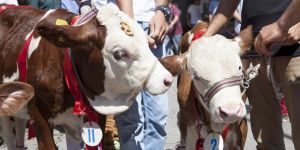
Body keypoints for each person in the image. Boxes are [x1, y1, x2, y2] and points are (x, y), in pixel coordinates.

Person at [203, 0, 300, 149]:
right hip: (254, 51)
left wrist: (291, 25)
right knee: (266, 140)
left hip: (294, 50)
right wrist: (204, 38)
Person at [80, 0, 170, 149]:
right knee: (130, 118)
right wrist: (133, 29)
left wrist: (161, 10)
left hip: (152, 23)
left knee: (157, 114)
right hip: (120, 24)